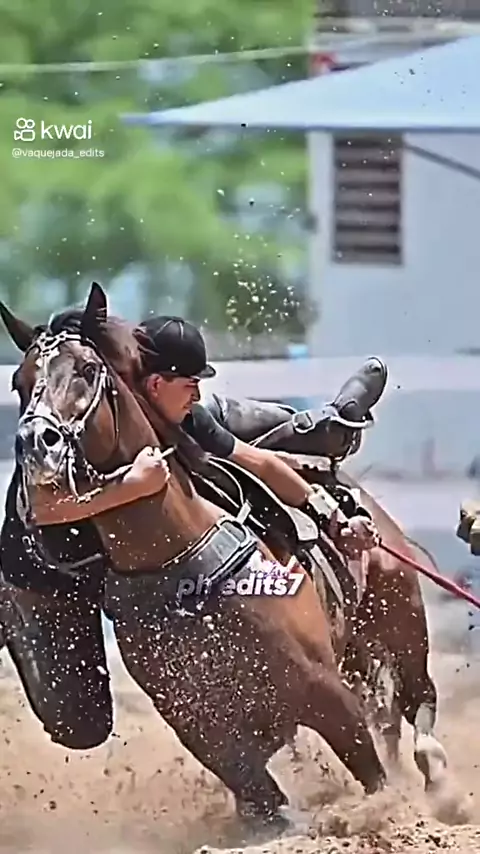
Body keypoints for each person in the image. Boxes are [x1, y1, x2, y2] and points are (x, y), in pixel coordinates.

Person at [30, 316, 379, 559]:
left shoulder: (191, 413)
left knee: (296, 437)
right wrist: (130, 486)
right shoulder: (94, 422)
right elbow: (41, 510)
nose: (196, 394)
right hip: (188, 429)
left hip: (214, 422)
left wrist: (332, 518)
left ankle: (338, 422)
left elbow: (261, 463)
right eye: (191, 385)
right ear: (156, 384)